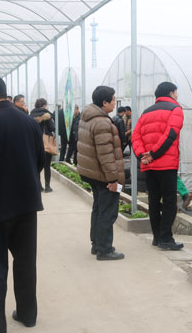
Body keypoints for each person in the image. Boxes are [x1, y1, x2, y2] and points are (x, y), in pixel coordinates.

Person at [0, 72, 45, 333]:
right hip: (27, 204)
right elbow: (40, 160)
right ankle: (27, 314)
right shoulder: (29, 121)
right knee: (25, 262)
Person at [132, 81, 184, 251]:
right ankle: (166, 239)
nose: (177, 95)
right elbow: (170, 134)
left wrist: (142, 156)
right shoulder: (175, 109)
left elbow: (135, 137)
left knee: (153, 201)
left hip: (149, 165)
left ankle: (157, 237)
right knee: (169, 201)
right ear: (171, 93)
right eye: (176, 92)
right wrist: (154, 154)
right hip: (166, 164)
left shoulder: (146, 112)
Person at [77, 86, 125, 261]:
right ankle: (104, 250)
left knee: (98, 209)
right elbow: (106, 155)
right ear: (104, 102)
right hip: (103, 175)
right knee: (107, 212)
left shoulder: (88, 117)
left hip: (92, 173)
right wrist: (113, 179)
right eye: (113, 99)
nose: (114, 102)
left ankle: (97, 244)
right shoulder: (102, 123)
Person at [30, 98, 55, 193]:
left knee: (36, 165)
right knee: (47, 165)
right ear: (44, 105)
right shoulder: (47, 115)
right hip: (46, 142)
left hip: (34, 143)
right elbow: (52, 128)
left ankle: (39, 186)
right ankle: (47, 186)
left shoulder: (30, 115)